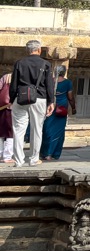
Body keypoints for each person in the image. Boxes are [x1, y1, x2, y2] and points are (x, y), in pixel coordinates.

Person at [10, 39, 53, 167]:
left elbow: (13, 84)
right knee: (36, 129)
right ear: (39, 50)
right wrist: (51, 101)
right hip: (39, 98)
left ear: (27, 51)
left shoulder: (19, 63)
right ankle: (34, 159)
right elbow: (49, 84)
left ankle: (18, 160)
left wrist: (11, 100)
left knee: (18, 130)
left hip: (21, 98)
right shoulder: (45, 64)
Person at [40, 65, 76, 161]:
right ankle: (51, 154)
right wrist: (73, 108)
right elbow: (70, 97)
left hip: (48, 108)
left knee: (47, 130)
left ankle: (44, 153)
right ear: (64, 72)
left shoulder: (49, 81)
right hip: (61, 109)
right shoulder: (67, 83)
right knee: (58, 132)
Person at [0, 73, 13, 163]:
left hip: (1, 107)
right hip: (12, 108)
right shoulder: (20, 77)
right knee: (11, 133)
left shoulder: (5, 77)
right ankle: (7, 156)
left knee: (0, 132)